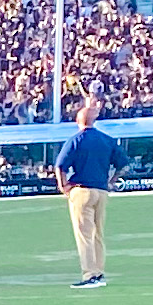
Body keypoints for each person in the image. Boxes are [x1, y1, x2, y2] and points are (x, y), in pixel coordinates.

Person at [55, 88, 121, 287]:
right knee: (98, 234)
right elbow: (122, 164)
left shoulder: (76, 140)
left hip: (82, 189)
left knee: (84, 235)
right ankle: (99, 272)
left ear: (79, 121)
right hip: (101, 190)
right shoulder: (107, 139)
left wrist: (63, 186)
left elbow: (60, 165)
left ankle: (90, 275)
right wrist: (111, 181)